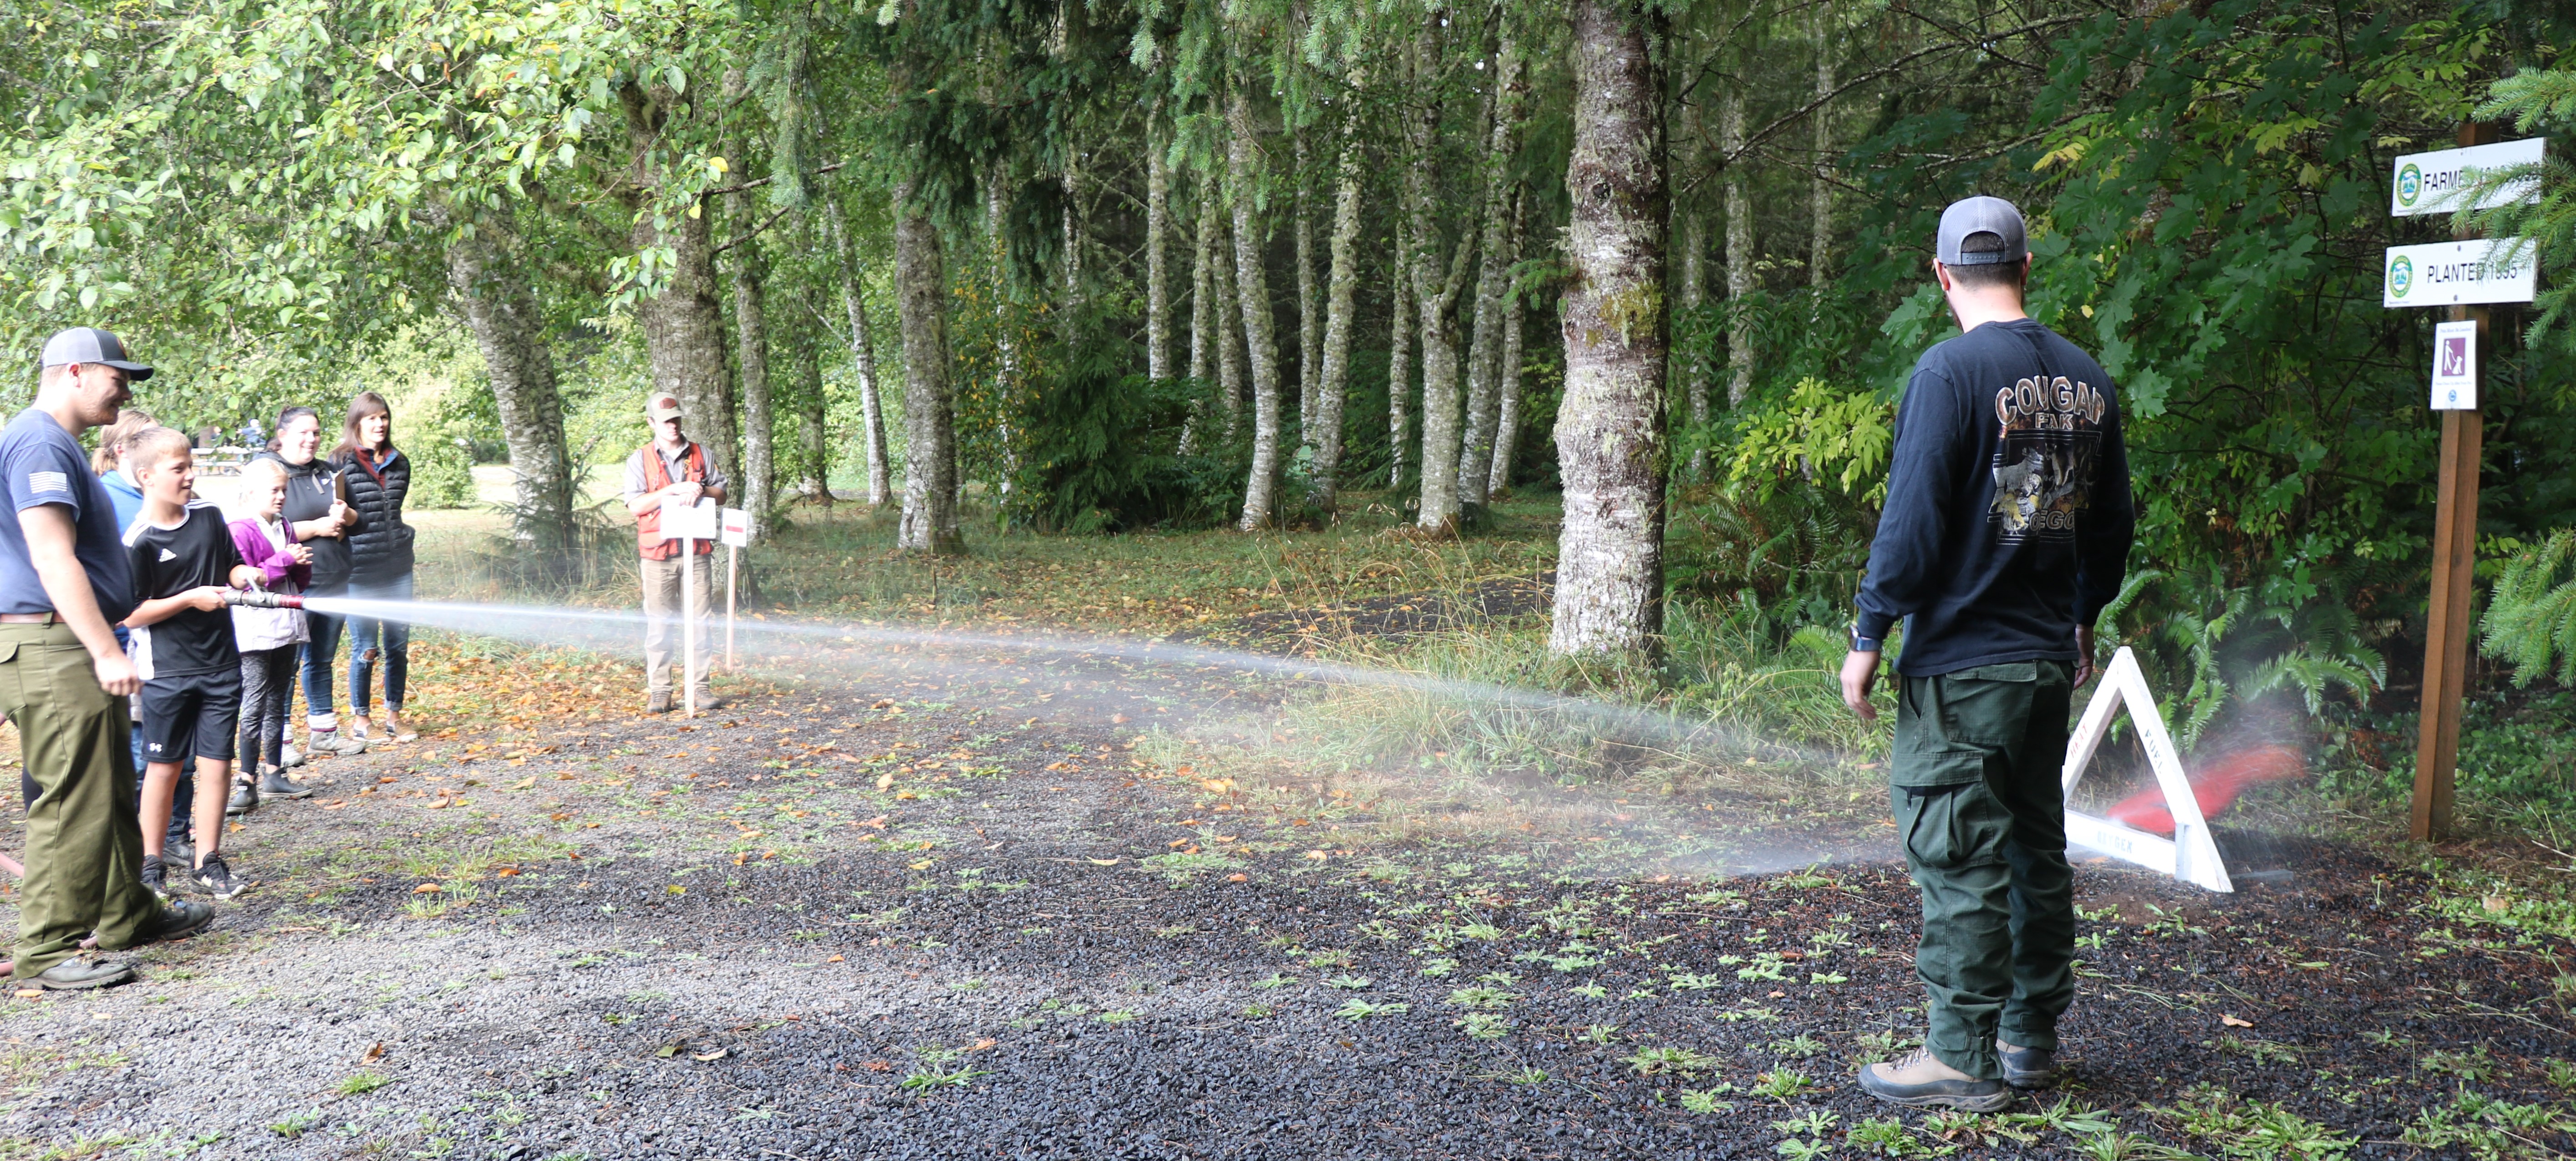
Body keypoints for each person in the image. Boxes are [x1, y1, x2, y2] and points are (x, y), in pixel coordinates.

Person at [1839, 197, 2134, 1110]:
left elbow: (1913, 523)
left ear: (1941, 276)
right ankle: (2027, 1039)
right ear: (2026, 266)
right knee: (2036, 851)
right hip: (2044, 665)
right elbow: (2111, 528)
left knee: (1961, 854)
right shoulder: (2088, 379)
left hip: (1963, 667)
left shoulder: (1949, 372)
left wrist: (1868, 633)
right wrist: (2081, 618)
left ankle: (1961, 1055)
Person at [0, 327, 213, 988]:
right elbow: (50, 553)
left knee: (106, 789)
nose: (125, 388)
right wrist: (102, 647)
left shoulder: (51, 440)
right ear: (72, 372)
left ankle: (128, 910)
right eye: (116, 375)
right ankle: (46, 947)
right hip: (56, 640)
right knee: (73, 799)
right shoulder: (39, 440)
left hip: (58, 637)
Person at [119, 428, 262, 900]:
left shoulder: (209, 516)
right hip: (167, 673)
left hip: (221, 665)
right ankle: (151, 866)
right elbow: (131, 612)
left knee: (217, 764)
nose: (190, 475)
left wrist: (247, 576)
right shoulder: (138, 540)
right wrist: (189, 600)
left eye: (190, 465)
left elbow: (232, 565)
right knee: (165, 767)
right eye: (178, 468)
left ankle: (209, 862)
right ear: (147, 476)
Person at [89, 411, 191, 861]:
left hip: (177, 645)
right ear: (122, 452)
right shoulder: (107, 499)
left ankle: (174, 836)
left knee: (180, 754)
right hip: (129, 643)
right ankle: (141, 847)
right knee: (141, 755)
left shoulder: (165, 497)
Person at [257, 406, 364, 780]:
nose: (311, 439)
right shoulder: (267, 471)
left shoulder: (327, 471)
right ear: (282, 434)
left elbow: (357, 519)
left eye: (316, 432)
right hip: (293, 585)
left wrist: (343, 517)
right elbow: (263, 528)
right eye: (303, 432)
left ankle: (324, 732)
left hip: (336, 578)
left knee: (322, 659)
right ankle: (281, 740)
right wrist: (319, 527)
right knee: (285, 665)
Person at [622, 390, 727, 715]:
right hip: (657, 556)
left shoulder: (701, 453)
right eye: (666, 420)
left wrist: (699, 489)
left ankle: (700, 688)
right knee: (660, 624)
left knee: (701, 622)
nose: (673, 425)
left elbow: (721, 494)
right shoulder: (639, 459)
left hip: (696, 550)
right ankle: (661, 691)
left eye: (677, 419)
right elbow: (635, 506)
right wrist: (672, 489)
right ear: (652, 422)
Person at [229, 456, 316, 803]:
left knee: (279, 700)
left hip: (288, 624)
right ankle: (245, 781)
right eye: (274, 490)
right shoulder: (239, 528)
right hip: (255, 628)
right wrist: (286, 560)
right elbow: (248, 581)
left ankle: (274, 773)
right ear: (251, 492)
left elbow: (295, 578)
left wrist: (302, 566)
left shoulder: (286, 526)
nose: (281, 497)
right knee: (254, 702)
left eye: (284, 490)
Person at [334, 391, 417, 744]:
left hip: (397, 568)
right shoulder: (339, 462)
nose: (379, 424)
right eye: (371, 418)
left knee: (398, 645)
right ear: (357, 423)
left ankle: (394, 716)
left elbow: (394, 511)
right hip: (359, 571)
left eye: (383, 417)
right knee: (366, 648)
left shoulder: (401, 462)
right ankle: (361, 720)